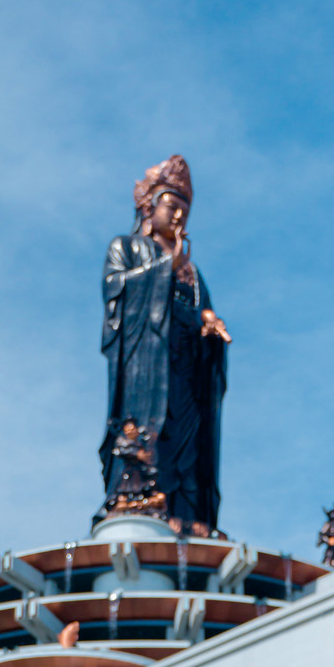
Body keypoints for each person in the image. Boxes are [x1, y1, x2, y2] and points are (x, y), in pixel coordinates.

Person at [98, 155, 230, 536]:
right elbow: (115, 291)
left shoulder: (191, 269)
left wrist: (210, 330)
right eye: (171, 206)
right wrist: (162, 271)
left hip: (188, 367)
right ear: (148, 206)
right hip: (147, 364)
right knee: (149, 435)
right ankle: (142, 499)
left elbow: (201, 309)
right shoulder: (127, 248)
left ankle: (189, 512)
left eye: (184, 210)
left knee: (189, 442)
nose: (178, 218)